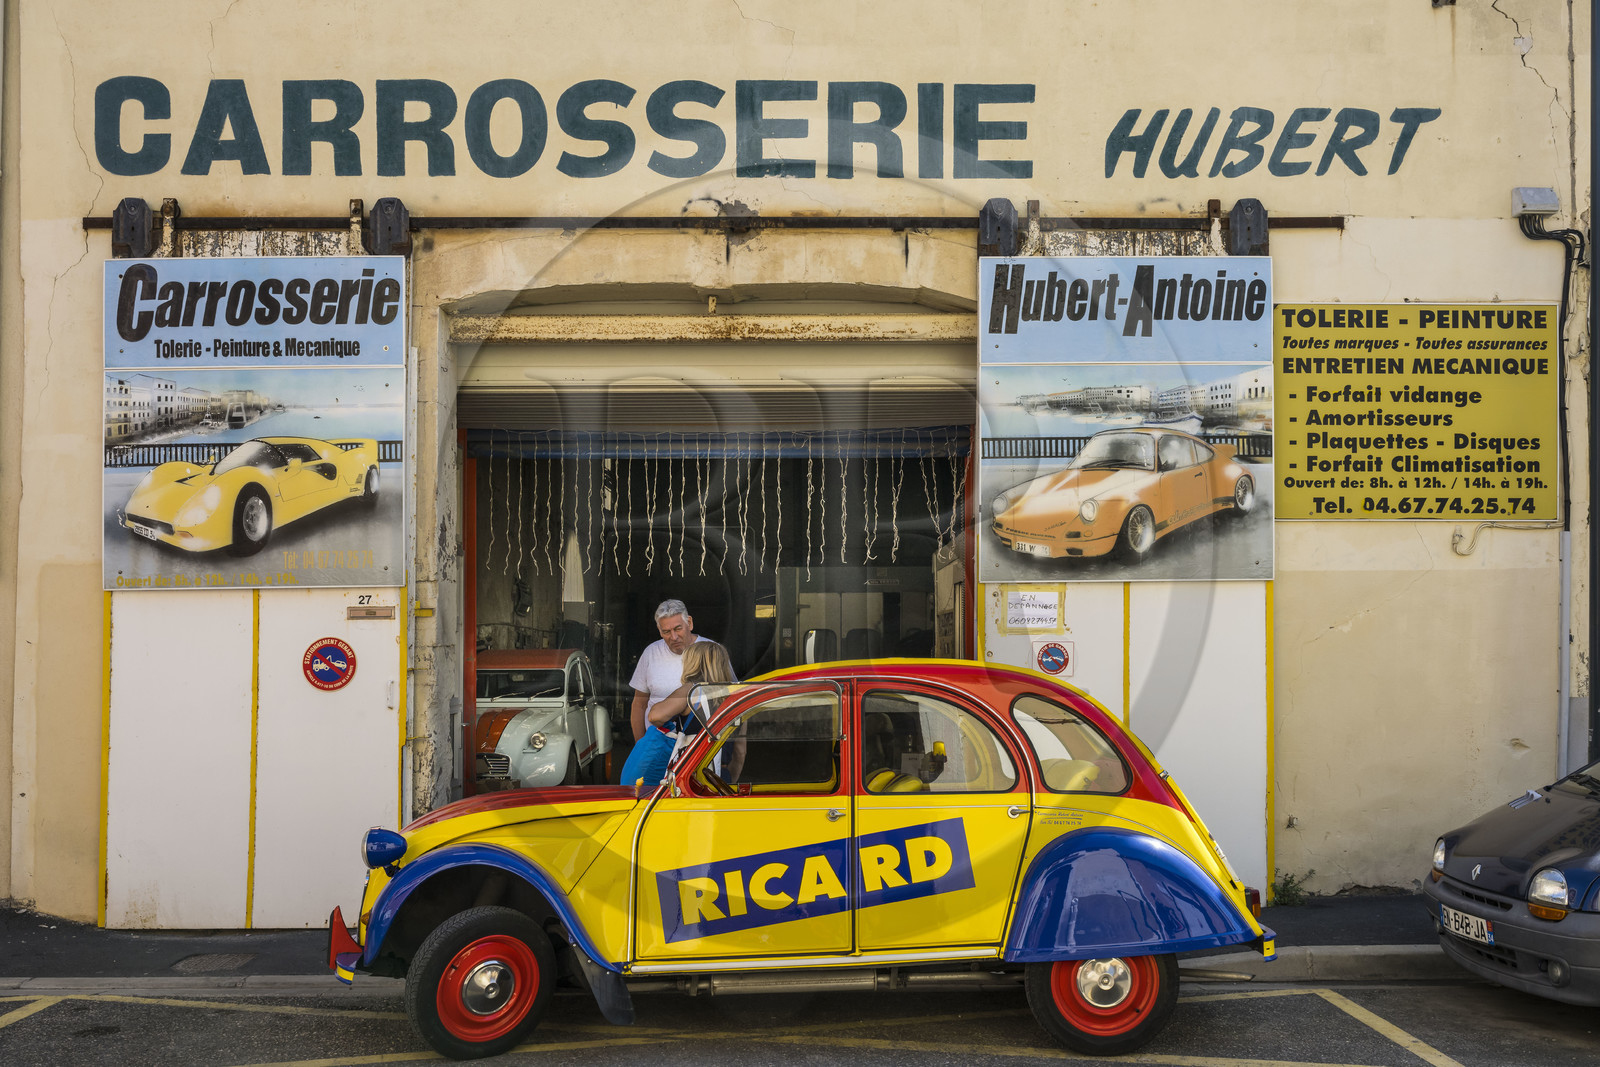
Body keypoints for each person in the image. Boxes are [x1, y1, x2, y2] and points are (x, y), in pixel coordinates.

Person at [619, 639, 734, 789]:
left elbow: (655, 716)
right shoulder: (733, 697)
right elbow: (740, 751)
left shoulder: (691, 691)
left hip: (692, 776)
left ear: (693, 663)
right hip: (720, 777)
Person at [628, 600, 700, 742]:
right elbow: (639, 704)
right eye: (666, 632)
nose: (673, 637)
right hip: (656, 744)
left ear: (689, 623)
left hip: (699, 746)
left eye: (678, 629)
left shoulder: (712, 652)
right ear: (659, 630)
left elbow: (732, 700)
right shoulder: (651, 652)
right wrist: (640, 745)